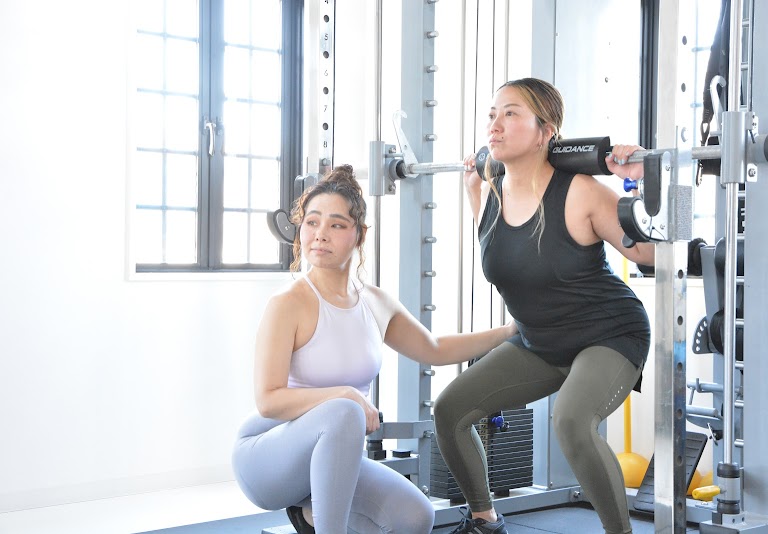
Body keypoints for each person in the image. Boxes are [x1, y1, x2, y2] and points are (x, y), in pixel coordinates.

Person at [231, 164, 517, 534]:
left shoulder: (374, 302)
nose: (320, 234)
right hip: (265, 457)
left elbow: (434, 348)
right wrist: (346, 394)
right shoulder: (288, 303)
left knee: (415, 518)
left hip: (331, 452)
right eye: (312, 222)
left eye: (336, 225)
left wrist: (509, 332)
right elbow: (268, 401)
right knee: (344, 411)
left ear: (359, 234)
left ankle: (310, 515)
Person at [433, 77, 655, 534]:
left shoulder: (580, 191)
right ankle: (484, 521)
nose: (494, 125)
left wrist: (642, 182)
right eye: (492, 115)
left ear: (545, 131)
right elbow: (510, 261)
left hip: (609, 335)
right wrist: (473, 183)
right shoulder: (487, 192)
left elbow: (650, 254)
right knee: (450, 409)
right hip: (540, 343)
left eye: (511, 113)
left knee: (571, 421)